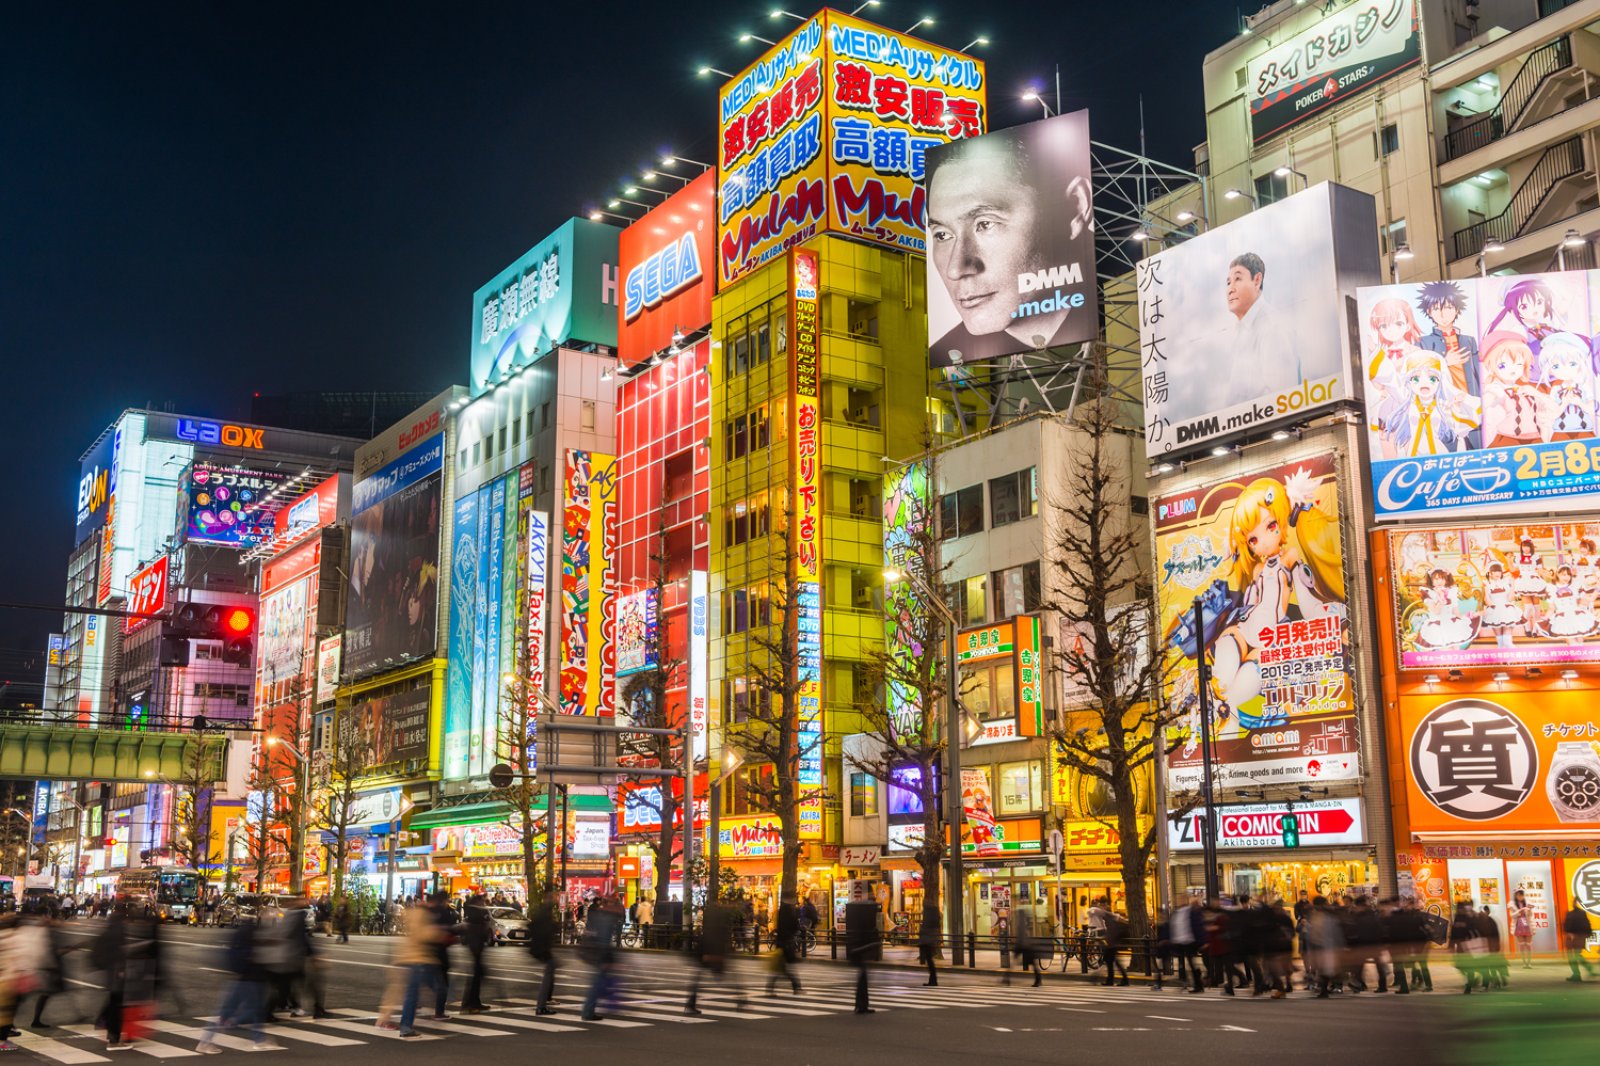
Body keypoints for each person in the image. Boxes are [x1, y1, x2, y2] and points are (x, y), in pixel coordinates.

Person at [924, 119, 1095, 367]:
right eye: (942, 235)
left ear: (1076, 209)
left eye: (985, 223)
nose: (955, 268)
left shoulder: (1113, 314)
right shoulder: (948, 350)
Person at [1220, 253, 1298, 399]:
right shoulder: (1240, 331)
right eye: (1228, 282)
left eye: (1237, 279)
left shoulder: (1271, 326)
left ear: (1257, 280)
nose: (1230, 289)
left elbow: (1283, 397)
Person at [1416, 280, 1483, 449]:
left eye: (1448, 307)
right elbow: (1420, 375)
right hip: (1443, 408)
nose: (1443, 314)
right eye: (1437, 309)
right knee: (1448, 451)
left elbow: (1479, 374)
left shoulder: (1469, 341)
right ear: (1429, 312)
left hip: (1470, 403)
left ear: (1457, 309)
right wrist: (1445, 362)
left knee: (1479, 448)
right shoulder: (1423, 343)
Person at [196, 918, 275, 1052]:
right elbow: (255, 956)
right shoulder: (253, 935)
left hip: (241, 978)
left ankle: (207, 1040)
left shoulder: (241, 935)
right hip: (250, 979)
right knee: (252, 1010)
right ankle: (257, 1039)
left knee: (235, 1010)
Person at [396, 898, 448, 1037]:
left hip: (413, 958)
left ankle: (406, 1026)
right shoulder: (424, 916)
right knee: (438, 988)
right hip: (422, 959)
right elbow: (423, 935)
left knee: (412, 993)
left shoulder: (413, 914)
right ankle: (408, 1026)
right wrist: (437, 934)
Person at [687, 900, 742, 1015]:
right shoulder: (721, 918)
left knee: (699, 978)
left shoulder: (712, 917)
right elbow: (719, 935)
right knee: (730, 976)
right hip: (712, 951)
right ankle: (741, 1000)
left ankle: (691, 1003)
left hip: (708, 950)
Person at [90, 903, 131, 1050]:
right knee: (117, 1007)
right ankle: (114, 1040)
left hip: (110, 972)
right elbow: (119, 951)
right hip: (116, 973)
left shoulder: (111, 925)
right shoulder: (119, 928)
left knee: (114, 1003)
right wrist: (121, 969)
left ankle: (106, 1027)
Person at [580, 894, 623, 1021]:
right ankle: (588, 1012)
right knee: (596, 984)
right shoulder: (606, 918)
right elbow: (604, 941)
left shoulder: (600, 914)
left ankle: (590, 1010)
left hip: (596, 954)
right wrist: (607, 960)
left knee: (598, 983)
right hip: (600, 955)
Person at [843, 894, 882, 1014]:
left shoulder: (857, 920)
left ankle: (860, 1005)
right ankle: (861, 1005)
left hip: (857, 951)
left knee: (862, 980)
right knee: (862, 980)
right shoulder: (865, 923)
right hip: (859, 952)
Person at [527, 889, 559, 1015]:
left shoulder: (543, 911)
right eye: (552, 897)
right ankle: (541, 1006)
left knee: (549, 972)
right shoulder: (545, 912)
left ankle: (542, 1004)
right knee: (548, 975)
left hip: (542, 948)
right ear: (547, 898)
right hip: (543, 948)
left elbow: (533, 926)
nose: (555, 899)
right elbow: (542, 930)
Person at [459, 894, 491, 1013]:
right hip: (476, 946)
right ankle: (469, 1004)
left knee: (475, 977)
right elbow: (480, 928)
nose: (484, 903)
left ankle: (474, 1002)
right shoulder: (477, 913)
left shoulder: (473, 912)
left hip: (476, 946)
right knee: (475, 977)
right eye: (482, 901)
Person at [1089, 897, 1129, 986]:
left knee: (1112, 962)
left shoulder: (1108, 914)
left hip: (1112, 941)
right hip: (1111, 941)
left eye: (1103, 905)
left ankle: (1120, 980)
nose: (1102, 907)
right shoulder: (1106, 914)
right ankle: (1113, 980)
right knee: (1111, 962)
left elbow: (1118, 919)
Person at [767, 894, 802, 995]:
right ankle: (796, 987)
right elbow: (795, 927)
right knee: (784, 969)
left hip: (780, 943)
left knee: (781, 969)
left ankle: (771, 989)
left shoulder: (780, 912)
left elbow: (778, 927)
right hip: (787, 943)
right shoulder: (791, 913)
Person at [1561, 901, 1596, 982]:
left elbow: (1566, 925)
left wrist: (1568, 933)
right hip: (1580, 937)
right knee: (1577, 955)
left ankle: (1577, 974)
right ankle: (1587, 969)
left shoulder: (1570, 914)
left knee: (1572, 956)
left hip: (1573, 937)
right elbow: (1587, 925)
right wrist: (1588, 934)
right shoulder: (1582, 913)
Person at [915, 904, 942, 987]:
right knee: (930, 961)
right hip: (929, 941)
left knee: (930, 961)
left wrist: (922, 938)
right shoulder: (933, 921)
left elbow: (925, 931)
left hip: (927, 942)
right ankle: (932, 980)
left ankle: (933, 980)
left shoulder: (928, 921)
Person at [1509, 890, 1535, 969]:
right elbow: (1512, 915)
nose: (1520, 897)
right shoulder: (1512, 905)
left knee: (1529, 945)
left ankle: (1529, 962)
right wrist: (1519, 912)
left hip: (1527, 925)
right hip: (1518, 925)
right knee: (1521, 945)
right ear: (1515, 896)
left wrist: (1529, 910)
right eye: (1518, 895)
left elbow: (1531, 915)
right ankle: (1524, 963)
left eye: (1521, 895)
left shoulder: (1527, 903)